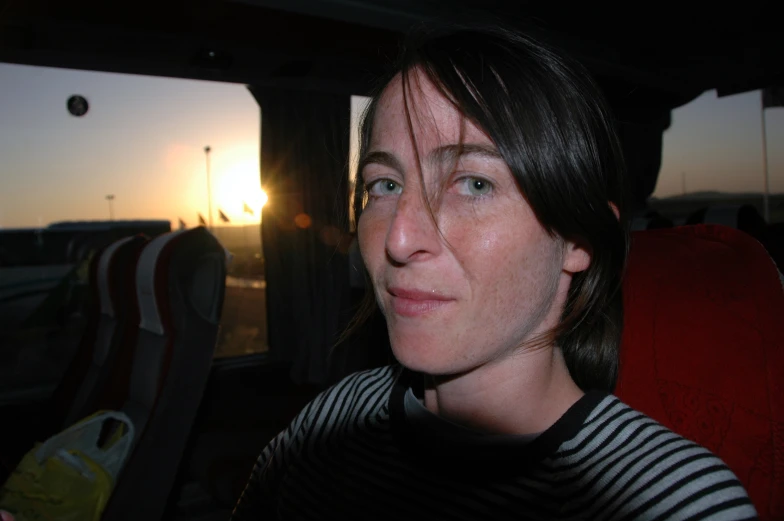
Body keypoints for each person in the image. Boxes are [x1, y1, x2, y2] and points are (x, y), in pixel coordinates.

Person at [231, 24, 758, 520]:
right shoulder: (329, 419)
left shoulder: (677, 503)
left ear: (577, 241)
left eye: (474, 184)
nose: (398, 238)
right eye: (385, 185)